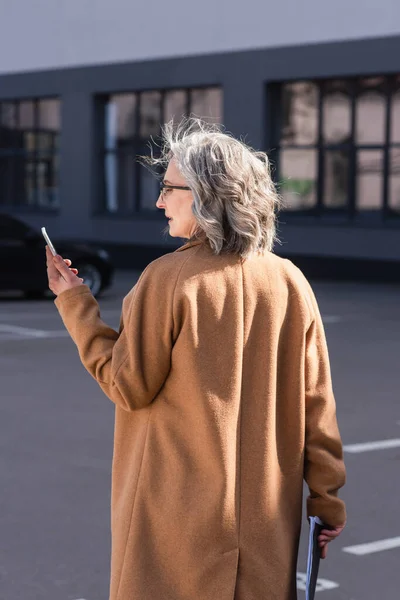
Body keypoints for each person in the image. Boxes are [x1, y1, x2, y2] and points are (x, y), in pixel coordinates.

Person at [46, 118, 346, 600]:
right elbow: (318, 409)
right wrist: (326, 504)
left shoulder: (169, 279)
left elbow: (127, 385)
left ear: (207, 193)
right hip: (267, 527)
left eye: (169, 188)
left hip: (175, 527)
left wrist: (75, 302)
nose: (159, 201)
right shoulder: (291, 282)